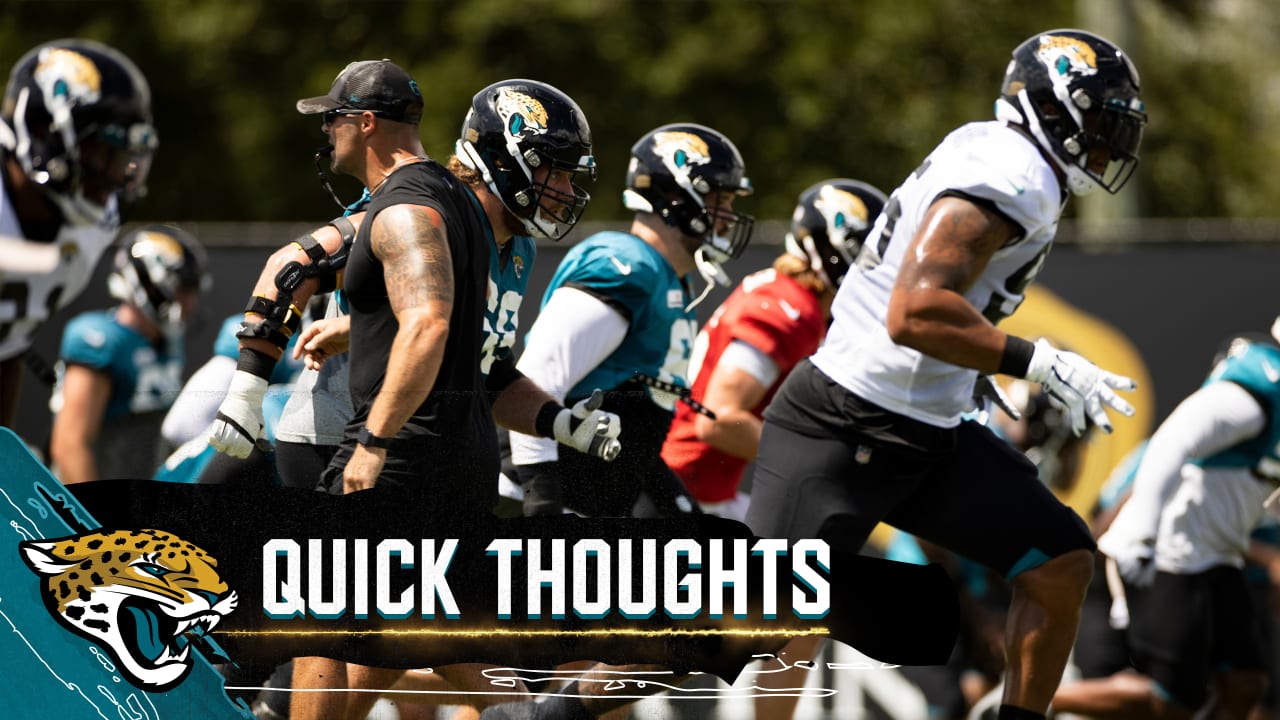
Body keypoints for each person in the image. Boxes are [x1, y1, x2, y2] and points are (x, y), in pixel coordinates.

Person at [743, 29, 1147, 720]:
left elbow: (933, 305)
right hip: (842, 423)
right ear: (1055, 108)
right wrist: (1037, 361)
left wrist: (968, 368)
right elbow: (914, 310)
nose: (1110, 143)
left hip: (922, 430)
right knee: (769, 636)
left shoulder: (1000, 153)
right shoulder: (1015, 177)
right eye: (1101, 120)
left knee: (1060, 562)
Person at [209, 67, 612, 720]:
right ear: (508, 161)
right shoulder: (428, 204)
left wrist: (557, 422)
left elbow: (477, 365)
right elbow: (302, 266)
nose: (565, 190)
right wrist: (251, 386)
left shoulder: (510, 246)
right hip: (348, 434)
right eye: (554, 171)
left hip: (417, 445)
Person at [510, 122, 755, 520]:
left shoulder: (670, 278)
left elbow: (634, 427)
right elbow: (537, 379)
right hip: (536, 496)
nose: (728, 215)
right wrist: (542, 503)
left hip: (593, 503)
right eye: (719, 199)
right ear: (677, 196)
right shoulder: (626, 266)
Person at [1051, 331, 1277, 719]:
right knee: (1168, 700)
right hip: (1173, 550)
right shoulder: (1261, 388)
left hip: (1219, 555)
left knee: (1245, 683)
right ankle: (1031, 699)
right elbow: (1175, 437)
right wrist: (1143, 530)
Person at [660, 177, 886, 521]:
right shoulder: (790, 308)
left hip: (704, 490)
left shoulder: (801, 305)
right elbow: (718, 419)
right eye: (867, 253)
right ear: (830, 245)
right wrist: (819, 460)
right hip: (681, 494)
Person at [0, 38, 157, 429]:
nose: (113, 174)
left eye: (123, 157)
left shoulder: (87, 228)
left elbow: (9, 347)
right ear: (40, 129)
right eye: (103, 151)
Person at [48, 224, 207, 484]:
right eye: (183, 290)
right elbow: (70, 446)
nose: (190, 303)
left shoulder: (166, 340)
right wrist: (97, 521)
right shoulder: (100, 339)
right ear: (150, 283)